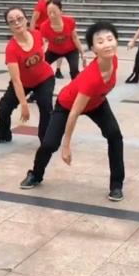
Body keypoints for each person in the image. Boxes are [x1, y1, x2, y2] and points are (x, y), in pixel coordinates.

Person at [19, 20, 126, 202]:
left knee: (114, 135)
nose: (107, 45)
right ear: (93, 48)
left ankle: (116, 185)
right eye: (100, 42)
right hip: (67, 105)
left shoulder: (113, 59)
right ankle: (35, 174)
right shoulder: (91, 78)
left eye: (110, 39)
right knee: (49, 144)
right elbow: (74, 113)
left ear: (116, 41)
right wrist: (66, 146)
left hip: (97, 102)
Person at [0, 7, 56, 144]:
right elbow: (16, 80)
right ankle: (3, 133)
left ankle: (46, 140)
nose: (17, 23)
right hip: (23, 82)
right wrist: (24, 104)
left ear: (26, 19)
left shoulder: (37, 34)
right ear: (9, 26)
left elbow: (43, 48)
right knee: (2, 109)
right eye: (12, 21)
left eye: (19, 19)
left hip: (44, 79)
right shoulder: (11, 49)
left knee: (45, 106)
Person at [39, 0, 86, 80]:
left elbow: (75, 38)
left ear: (61, 11)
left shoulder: (69, 21)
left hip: (71, 50)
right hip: (53, 51)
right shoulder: (44, 26)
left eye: (54, 12)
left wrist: (82, 53)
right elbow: (43, 43)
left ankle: (77, 86)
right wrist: (41, 56)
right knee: (40, 68)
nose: (52, 15)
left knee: (74, 70)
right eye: (49, 12)